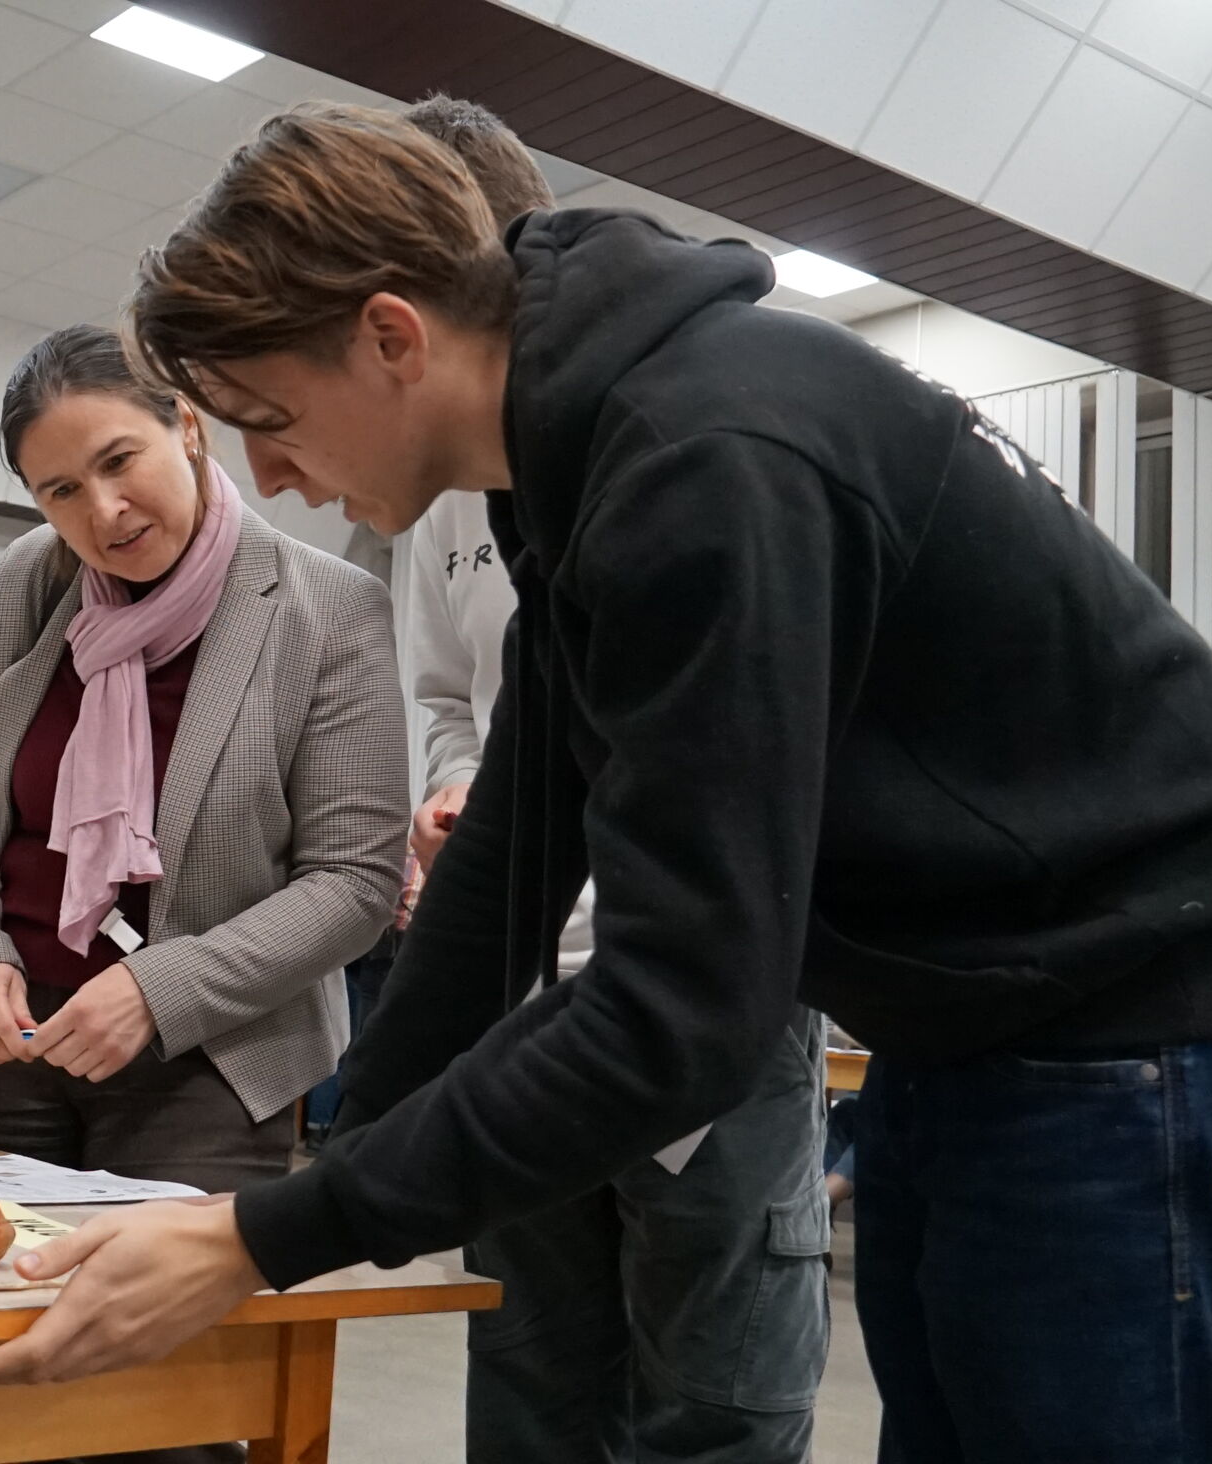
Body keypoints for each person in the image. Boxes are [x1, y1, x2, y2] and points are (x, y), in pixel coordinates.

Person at [0, 99, 1212, 1464]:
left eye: (270, 417)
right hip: (985, 1025)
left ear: (391, 336)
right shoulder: (576, 455)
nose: (270, 472)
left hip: (1155, 1024)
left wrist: (266, 1237)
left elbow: (690, 1007)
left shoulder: (701, 459)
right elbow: (515, 836)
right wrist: (340, 1157)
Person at [246, 97, 829, 1462]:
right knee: (527, 1384)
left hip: (702, 985)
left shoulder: (674, 450)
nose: (281, 471)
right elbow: (466, 713)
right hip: (528, 984)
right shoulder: (450, 496)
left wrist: (291, 1217)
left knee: (711, 1399)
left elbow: (721, 797)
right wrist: (453, 799)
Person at [0, 323, 408, 1237]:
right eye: (61, 490)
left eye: (118, 461)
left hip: (206, 1068)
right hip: (2, 1038)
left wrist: (158, 988)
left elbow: (353, 882)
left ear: (184, 425)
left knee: (153, 1365)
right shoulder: (35, 579)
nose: (103, 512)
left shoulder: (326, 609)